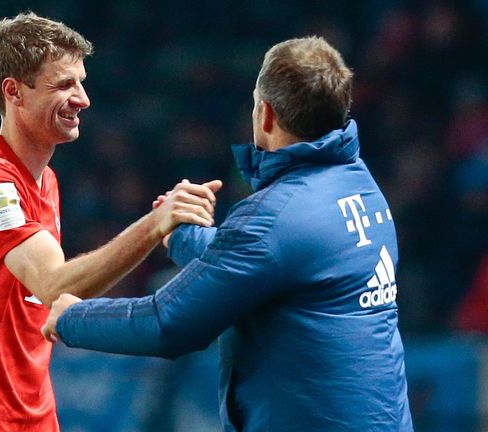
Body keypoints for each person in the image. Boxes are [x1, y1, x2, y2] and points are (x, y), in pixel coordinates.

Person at [43, 36, 414, 431]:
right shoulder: (360, 187)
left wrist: (72, 317)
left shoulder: (275, 216)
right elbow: (256, 268)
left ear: (266, 114)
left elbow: (168, 324)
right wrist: (180, 235)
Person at [0, 12, 221, 432]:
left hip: (30, 415)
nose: (83, 99)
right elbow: (54, 283)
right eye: (63, 85)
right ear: (14, 92)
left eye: (81, 82)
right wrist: (154, 224)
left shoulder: (46, 181)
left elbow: (55, 296)